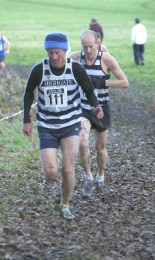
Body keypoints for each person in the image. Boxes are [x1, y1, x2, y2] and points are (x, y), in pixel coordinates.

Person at [22, 32, 104, 220]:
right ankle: (54, 155)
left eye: (57, 52)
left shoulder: (75, 68)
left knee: (68, 170)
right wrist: (26, 120)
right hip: (47, 126)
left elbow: (88, 89)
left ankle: (65, 204)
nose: (54, 57)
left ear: (65, 51)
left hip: (70, 125)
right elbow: (28, 93)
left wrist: (96, 106)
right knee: (51, 173)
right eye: (50, 52)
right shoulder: (39, 69)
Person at [69, 30, 129, 198]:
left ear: (98, 43)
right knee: (82, 143)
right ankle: (88, 176)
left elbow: (125, 82)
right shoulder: (76, 57)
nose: (88, 50)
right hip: (83, 108)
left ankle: (100, 176)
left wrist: (103, 82)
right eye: (84, 46)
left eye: (91, 46)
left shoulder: (107, 59)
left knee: (100, 148)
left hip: (102, 108)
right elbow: (61, 65)